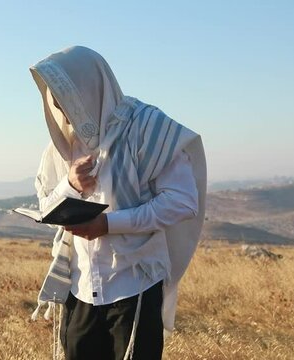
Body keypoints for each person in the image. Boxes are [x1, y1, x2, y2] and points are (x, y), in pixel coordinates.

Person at [29, 46, 207, 360]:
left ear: (89, 88)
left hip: (133, 285)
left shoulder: (148, 128)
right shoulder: (64, 143)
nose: (64, 113)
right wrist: (70, 184)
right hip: (81, 285)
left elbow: (182, 201)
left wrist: (108, 224)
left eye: (68, 102)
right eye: (57, 104)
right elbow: (46, 206)